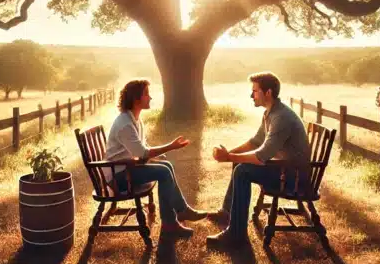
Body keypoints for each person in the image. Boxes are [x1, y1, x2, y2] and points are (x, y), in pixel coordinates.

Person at [207, 72, 310, 246]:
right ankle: (227, 211)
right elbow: (256, 142)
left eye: (254, 91)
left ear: (268, 92)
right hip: (284, 169)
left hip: (293, 177)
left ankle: (236, 234)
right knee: (240, 162)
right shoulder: (271, 112)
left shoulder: (281, 117)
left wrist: (229, 157)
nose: (251, 95)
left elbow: (261, 156)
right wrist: (229, 154)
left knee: (242, 170)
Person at [105, 79, 209, 235]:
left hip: (127, 168)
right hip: (120, 177)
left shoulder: (135, 119)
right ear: (136, 99)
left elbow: (141, 150)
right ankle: (170, 223)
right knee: (164, 172)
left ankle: (181, 211)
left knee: (166, 166)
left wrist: (159, 157)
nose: (150, 97)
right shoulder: (125, 124)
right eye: (146, 93)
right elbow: (142, 153)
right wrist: (171, 146)